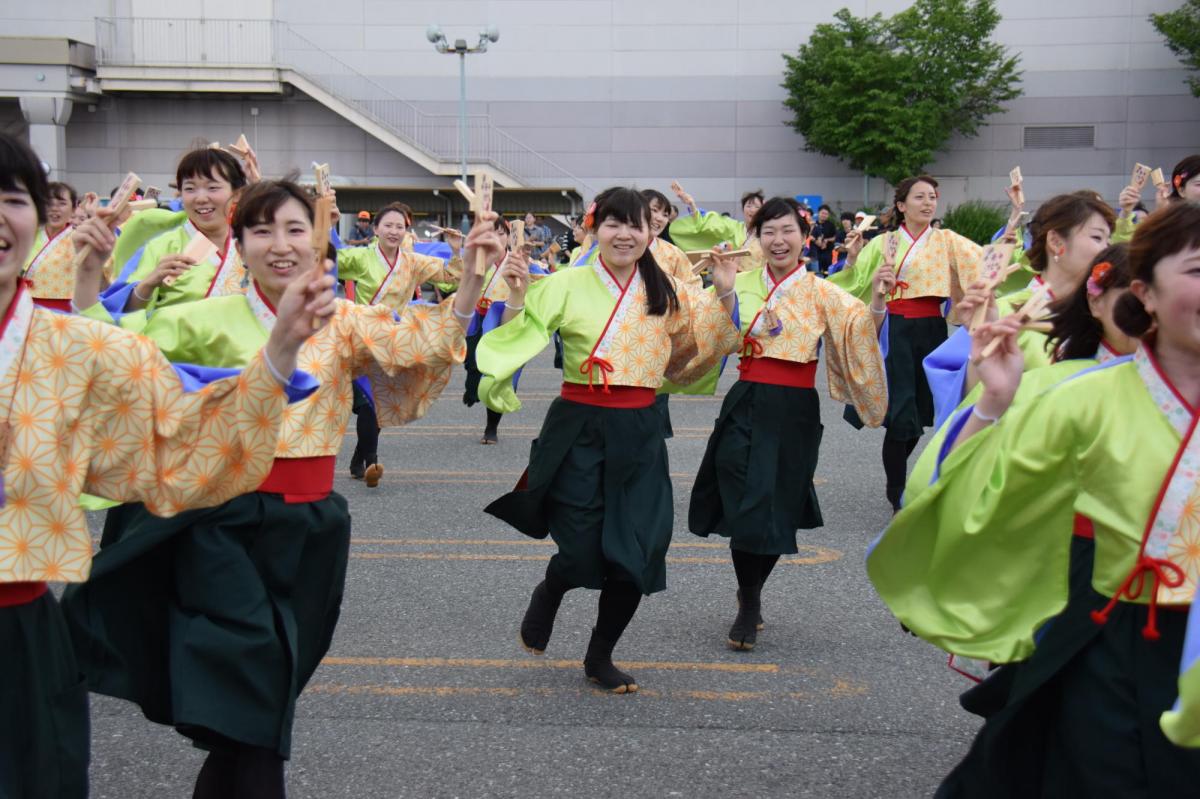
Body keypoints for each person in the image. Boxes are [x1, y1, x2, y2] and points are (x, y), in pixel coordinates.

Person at [64, 178, 497, 799]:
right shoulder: (200, 319)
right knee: (257, 688)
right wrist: (87, 275)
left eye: (295, 229)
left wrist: (475, 279)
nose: (280, 244)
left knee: (260, 704)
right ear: (238, 245)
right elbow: (104, 357)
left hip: (311, 526)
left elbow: (424, 344)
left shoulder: (342, 319)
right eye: (262, 230)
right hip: (219, 525)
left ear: (319, 241)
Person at [0, 132, 328, 799]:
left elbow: (179, 431)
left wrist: (277, 354)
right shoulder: (155, 257)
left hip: (18, 625)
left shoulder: (76, 348)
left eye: (9, 198)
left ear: (39, 219)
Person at [868, 202, 1200, 795]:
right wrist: (993, 402)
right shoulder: (1078, 397)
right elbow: (980, 503)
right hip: (1113, 629)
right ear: (1143, 294)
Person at [477, 187, 741, 693]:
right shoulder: (567, 283)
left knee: (636, 552)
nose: (624, 234)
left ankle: (600, 656)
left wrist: (725, 293)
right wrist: (514, 295)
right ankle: (554, 584)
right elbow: (518, 333)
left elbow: (698, 353)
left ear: (651, 231)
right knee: (579, 547)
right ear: (595, 230)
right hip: (579, 424)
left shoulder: (668, 289)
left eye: (635, 225)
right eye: (613, 224)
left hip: (640, 430)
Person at [688, 197, 888, 650]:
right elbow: (705, 336)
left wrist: (876, 302)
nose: (778, 240)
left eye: (787, 231)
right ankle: (749, 602)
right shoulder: (736, 281)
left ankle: (752, 591)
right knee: (743, 498)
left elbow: (858, 331)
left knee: (779, 503)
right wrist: (721, 292)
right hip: (747, 399)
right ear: (756, 240)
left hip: (796, 407)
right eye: (769, 232)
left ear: (804, 236)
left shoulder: (823, 292)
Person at [829, 175, 984, 512]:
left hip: (931, 330)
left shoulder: (947, 241)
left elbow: (983, 264)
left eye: (932, 197)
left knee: (919, 414)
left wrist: (1013, 227)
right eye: (919, 197)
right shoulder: (883, 243)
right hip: (894, 329)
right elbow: (853, 282)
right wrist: (854, 259)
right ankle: (896, 490)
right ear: (901, 205)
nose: (928, 203)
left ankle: (899, 480)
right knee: (901, 415)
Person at [924, 191, 1116, 430]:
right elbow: (956, 392)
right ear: (1056, 242)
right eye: (1097, 238)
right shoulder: (1004, 312)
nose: (1107, 250)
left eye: (1109, 241)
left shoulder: (1106, 314)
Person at [335, 202, 463, 483]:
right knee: (370, 402)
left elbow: (451, 277)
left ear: (406, 231)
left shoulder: (412, 261)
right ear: (376, 228)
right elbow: (329, 259)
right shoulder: (361, 257)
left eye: (400, 227)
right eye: (389, 225)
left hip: (394, 340)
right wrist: (327, 222)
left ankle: (360, 458)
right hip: (362, 336)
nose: (394, 231)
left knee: (378, 402)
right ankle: (372, 462)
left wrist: (456, 250)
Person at [101, 147, 249, 314]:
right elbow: (119, 314)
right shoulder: (160, 247)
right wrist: (148, 284)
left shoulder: (251, 245)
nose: (200, 198)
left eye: (212, 188)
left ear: (237, 194)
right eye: (190, 189)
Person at [21, 179, 77, 310]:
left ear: (74, 208)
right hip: (25, 303)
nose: (54, 209)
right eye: (49, 204)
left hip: (65, 307)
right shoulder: (27, 236)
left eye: (62, 203)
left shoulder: (79, 238)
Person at [810, 204, 838, 276]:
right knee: (816, 273)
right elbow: (809, 236)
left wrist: (827, 240)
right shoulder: (813, 224)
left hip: (827, 253)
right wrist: (816, 241)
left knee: (827, 272)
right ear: (818, 213)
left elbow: (835, 237)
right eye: (822, 213)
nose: (824, 215)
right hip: (815, 253)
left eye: (826, 214)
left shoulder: (831, 225)